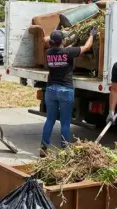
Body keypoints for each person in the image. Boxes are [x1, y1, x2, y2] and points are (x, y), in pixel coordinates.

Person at [40, 26, 97, 157]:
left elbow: (61, 50)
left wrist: (72, 44)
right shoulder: (69, 52)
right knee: (65, 122)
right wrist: (92, 35)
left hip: (51, 89)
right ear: (63, 41)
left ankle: (43, 147)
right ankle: (65, 150)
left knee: (50, 120)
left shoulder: (48, 53)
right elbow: (87, 47)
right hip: (65, 89)